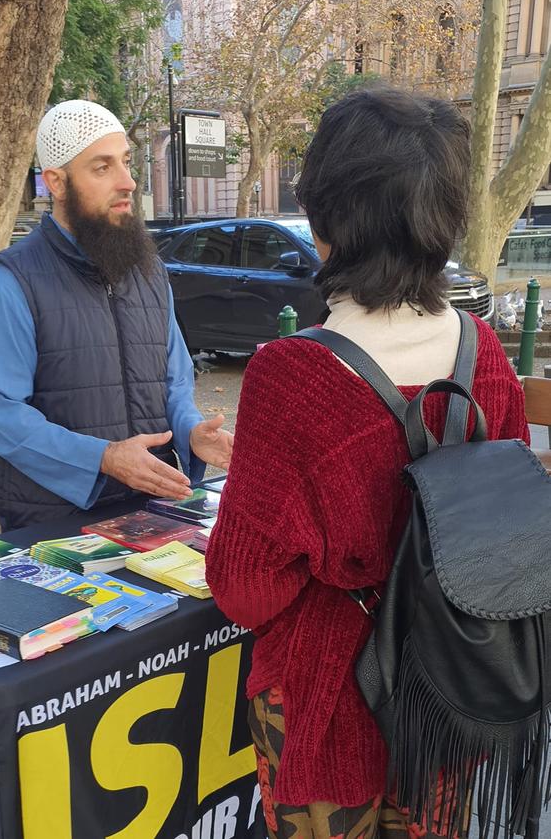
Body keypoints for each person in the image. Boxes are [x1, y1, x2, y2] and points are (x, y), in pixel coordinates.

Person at [205, 86, 530, 839]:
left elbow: (245, 587)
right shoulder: (486, 360)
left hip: (327, 711)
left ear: (327, 220)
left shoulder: (293, 378)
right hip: (453, 699)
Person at [0, 100, 232, 531]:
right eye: (102, 167)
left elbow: (174, 381)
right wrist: (104, 458)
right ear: (56, 182)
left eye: (127, 162)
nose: (127, 181)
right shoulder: (11, 281)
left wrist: (190, 432)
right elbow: (2, 413)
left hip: (154, 510)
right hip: (52, 523)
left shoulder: (149, 271)